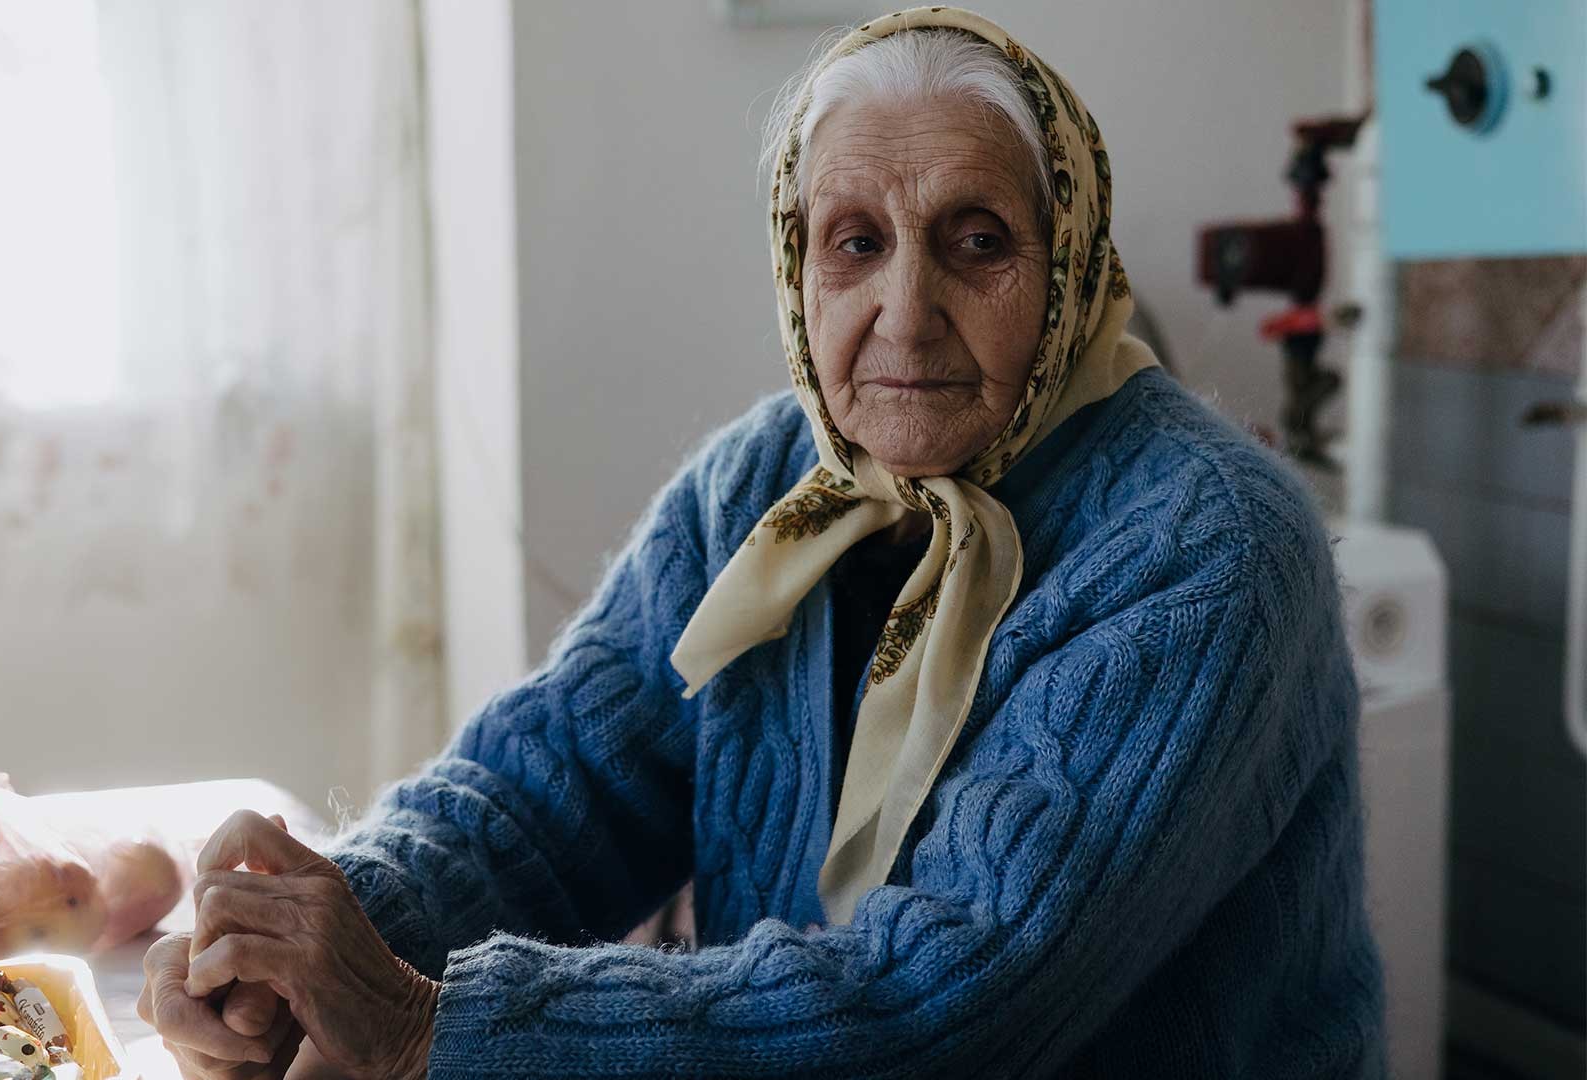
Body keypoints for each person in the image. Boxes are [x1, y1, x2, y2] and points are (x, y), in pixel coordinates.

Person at [137, 7, 1385, 1077]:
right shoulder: (763, 487)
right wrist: (323, 923)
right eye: (857, 243)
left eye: (978, 242)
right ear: (799, 270)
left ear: (1069, 265)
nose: (906, 313)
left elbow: (954, 1001)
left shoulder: (1206, 551)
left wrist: (426, 1027)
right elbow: (549, 787)